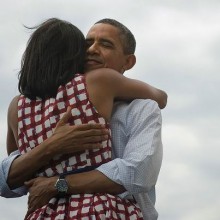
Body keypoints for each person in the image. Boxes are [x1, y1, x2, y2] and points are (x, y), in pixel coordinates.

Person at [0, 18, 166, 220]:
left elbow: (138, 173)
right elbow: (9, 177)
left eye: (105, 44)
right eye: (86, 44)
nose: (92, 50)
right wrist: (53, 144)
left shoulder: (18, 107)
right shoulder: (98, 83)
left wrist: (56, 183)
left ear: (128, 62)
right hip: (102, 211)